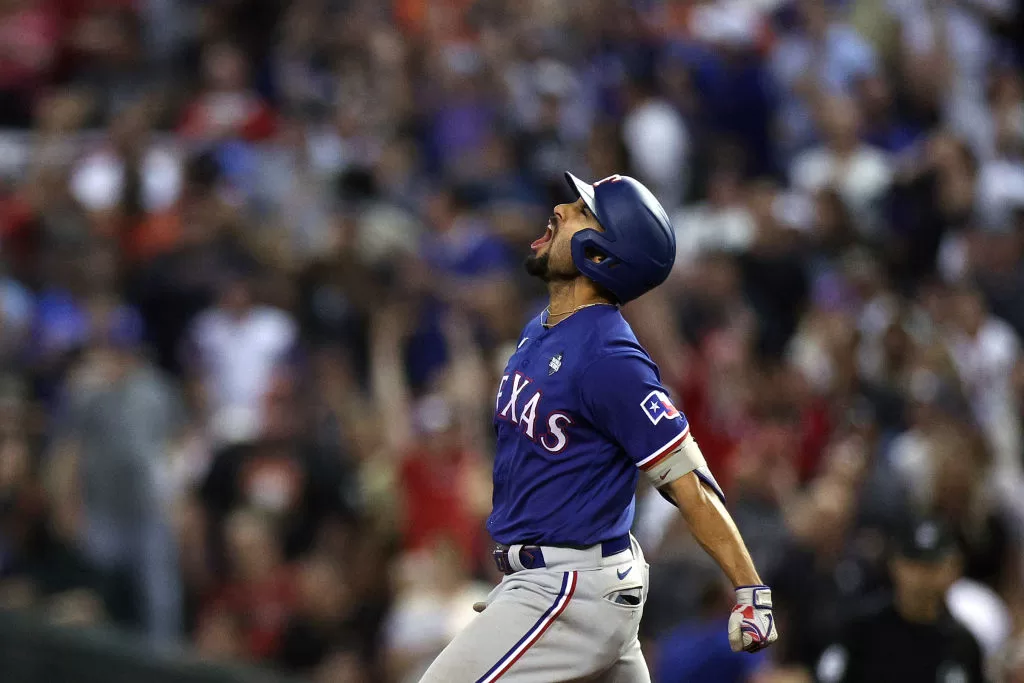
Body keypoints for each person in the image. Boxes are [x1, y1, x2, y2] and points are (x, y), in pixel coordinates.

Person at [418, 172, 777, 682]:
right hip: (558, 580)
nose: (562, 210)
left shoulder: (610, 356)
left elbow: (689, 482)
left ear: (601, 254)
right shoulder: (543, 327)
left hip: (572, 587)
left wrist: (749, 589)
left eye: (583, 212)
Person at [815, 518, 985, 683]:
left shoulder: (962, 645)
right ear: (895, 565)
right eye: (913, 565)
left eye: (931, 567)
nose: (921, 578)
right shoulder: (861, 628)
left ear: (953, 570)